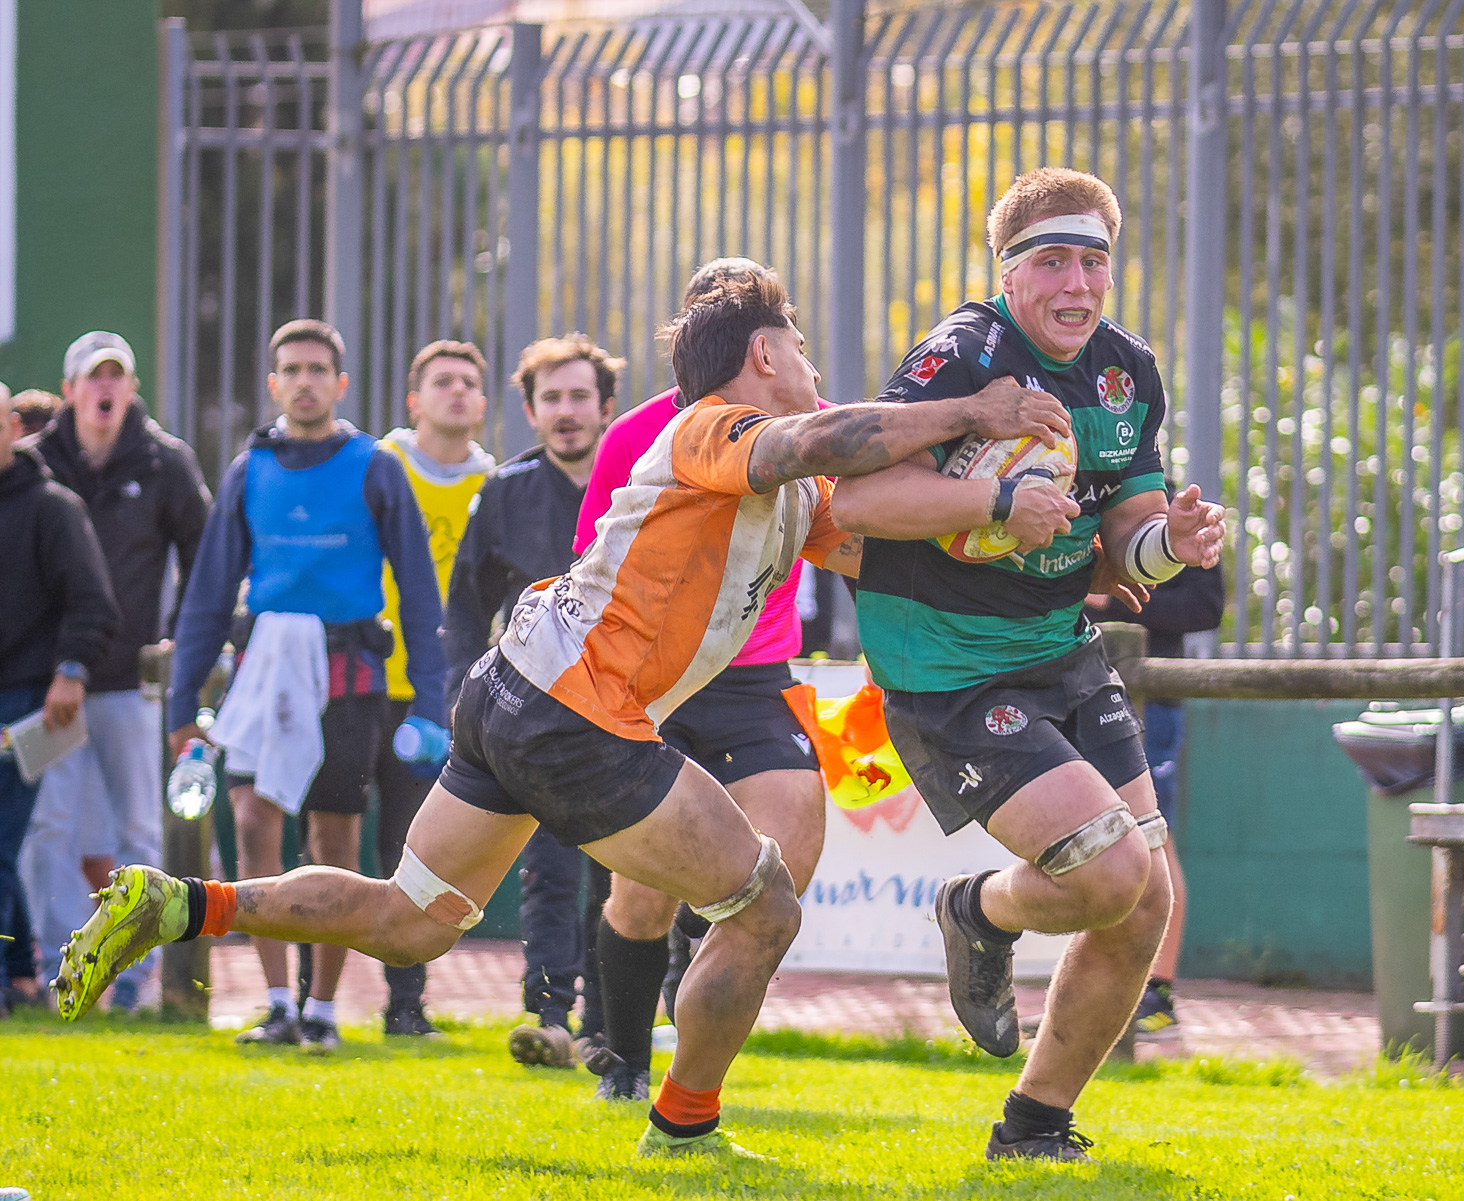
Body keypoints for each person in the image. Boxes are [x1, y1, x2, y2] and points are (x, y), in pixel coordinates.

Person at [57, 269, 1068, 1162]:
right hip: (575, 712)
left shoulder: (784, 483)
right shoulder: (713, 425)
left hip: (517, 690)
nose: (811, 363)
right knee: (763, 906)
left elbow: (876, 535)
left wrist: (1016, 524)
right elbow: (836, 437)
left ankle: (183, 901)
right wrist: (975, 409)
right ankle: (684, 1126)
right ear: (765, 352)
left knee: (411, 923)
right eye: (798, 344)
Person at [833, 167, 1227, 1163]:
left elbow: (1126, 543)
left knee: (1148, 900)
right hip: (949, 668)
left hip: (1061, 650)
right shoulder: (961, 355)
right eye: (1052, 259)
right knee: (1110, 873)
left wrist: (1172, 539)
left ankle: (1035, 1126)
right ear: (1006, 272)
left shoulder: (1125, 371)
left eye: (1095, 260)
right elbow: (858, 503)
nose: (1078, 283)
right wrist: (997, 505)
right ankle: (979, 906)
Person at [571, 258, 829, 1102]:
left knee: (781, 862)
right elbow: (590, 566)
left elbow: (866, 526)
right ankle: (620, 1059)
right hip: (664, 680)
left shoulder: (812, 422)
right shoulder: (637, 434)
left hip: (758, 674)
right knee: (639, 890)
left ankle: (693, 1056)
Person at [160, 318, 447, 1052]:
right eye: (292, 368)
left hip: (348, 671)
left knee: (331, 833)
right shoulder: (247, 468)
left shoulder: (374, 465)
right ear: (273, 382)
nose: (306, 380)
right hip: (261, 671)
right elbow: (208, 592)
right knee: (253, 820)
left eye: (319, 368)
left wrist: (433, 699)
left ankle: (322, 1011)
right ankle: (277, 1000)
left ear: (341, 383)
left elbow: (417, 590)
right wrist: (182, 702)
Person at [441, 333, 619, 1064]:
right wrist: (458, 699)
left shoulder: (640, 479)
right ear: (530, 409)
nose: (567, 411)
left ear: (606, 407)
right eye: (552, 398)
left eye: (580, 396)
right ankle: (547, 1015)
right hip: (533, 715)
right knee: (547, 868)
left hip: (627, 708)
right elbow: (463, 610)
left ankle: (610, 1027)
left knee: (624, 872)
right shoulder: (503, 494)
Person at [21, 332, 210, 1013]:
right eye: (91, 377)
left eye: (117, 376)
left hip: (132, 681)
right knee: (51, 829)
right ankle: (62, 974)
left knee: (138, 829)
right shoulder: (35, 464)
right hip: (52, 689)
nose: (105, 388)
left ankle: (135, 979)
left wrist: (181, 637)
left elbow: (204, 551)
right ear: (69, 390)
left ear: (131, 388)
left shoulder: (164, 462)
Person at [369, 340, 496, 1037]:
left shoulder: (497, 482)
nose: (455, 392)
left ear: (482, 402)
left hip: (451, 695)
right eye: (440, 381)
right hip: (365, 682)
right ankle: (307, 1001)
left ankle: (404, 1003)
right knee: (332, 836)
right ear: (413, 400)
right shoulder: (378, 467)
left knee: (415, 852)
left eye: (468, 383)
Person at [0, 385, 118, 1018]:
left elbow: (93, 604)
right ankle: (20, 975)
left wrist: (69, 672)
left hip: (28, 700)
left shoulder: (53, 508)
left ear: (13, 427)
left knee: (2, 841)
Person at [1084, 546, 1224, 1035]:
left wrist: (1113, 601)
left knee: (1153, 843)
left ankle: (1157, 995)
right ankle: (1094, 999)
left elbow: (1206, 608)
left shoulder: (1179, 512)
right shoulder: (1065, 492)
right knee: (1086, 848)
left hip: (1151, 702)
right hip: (1072, 694)